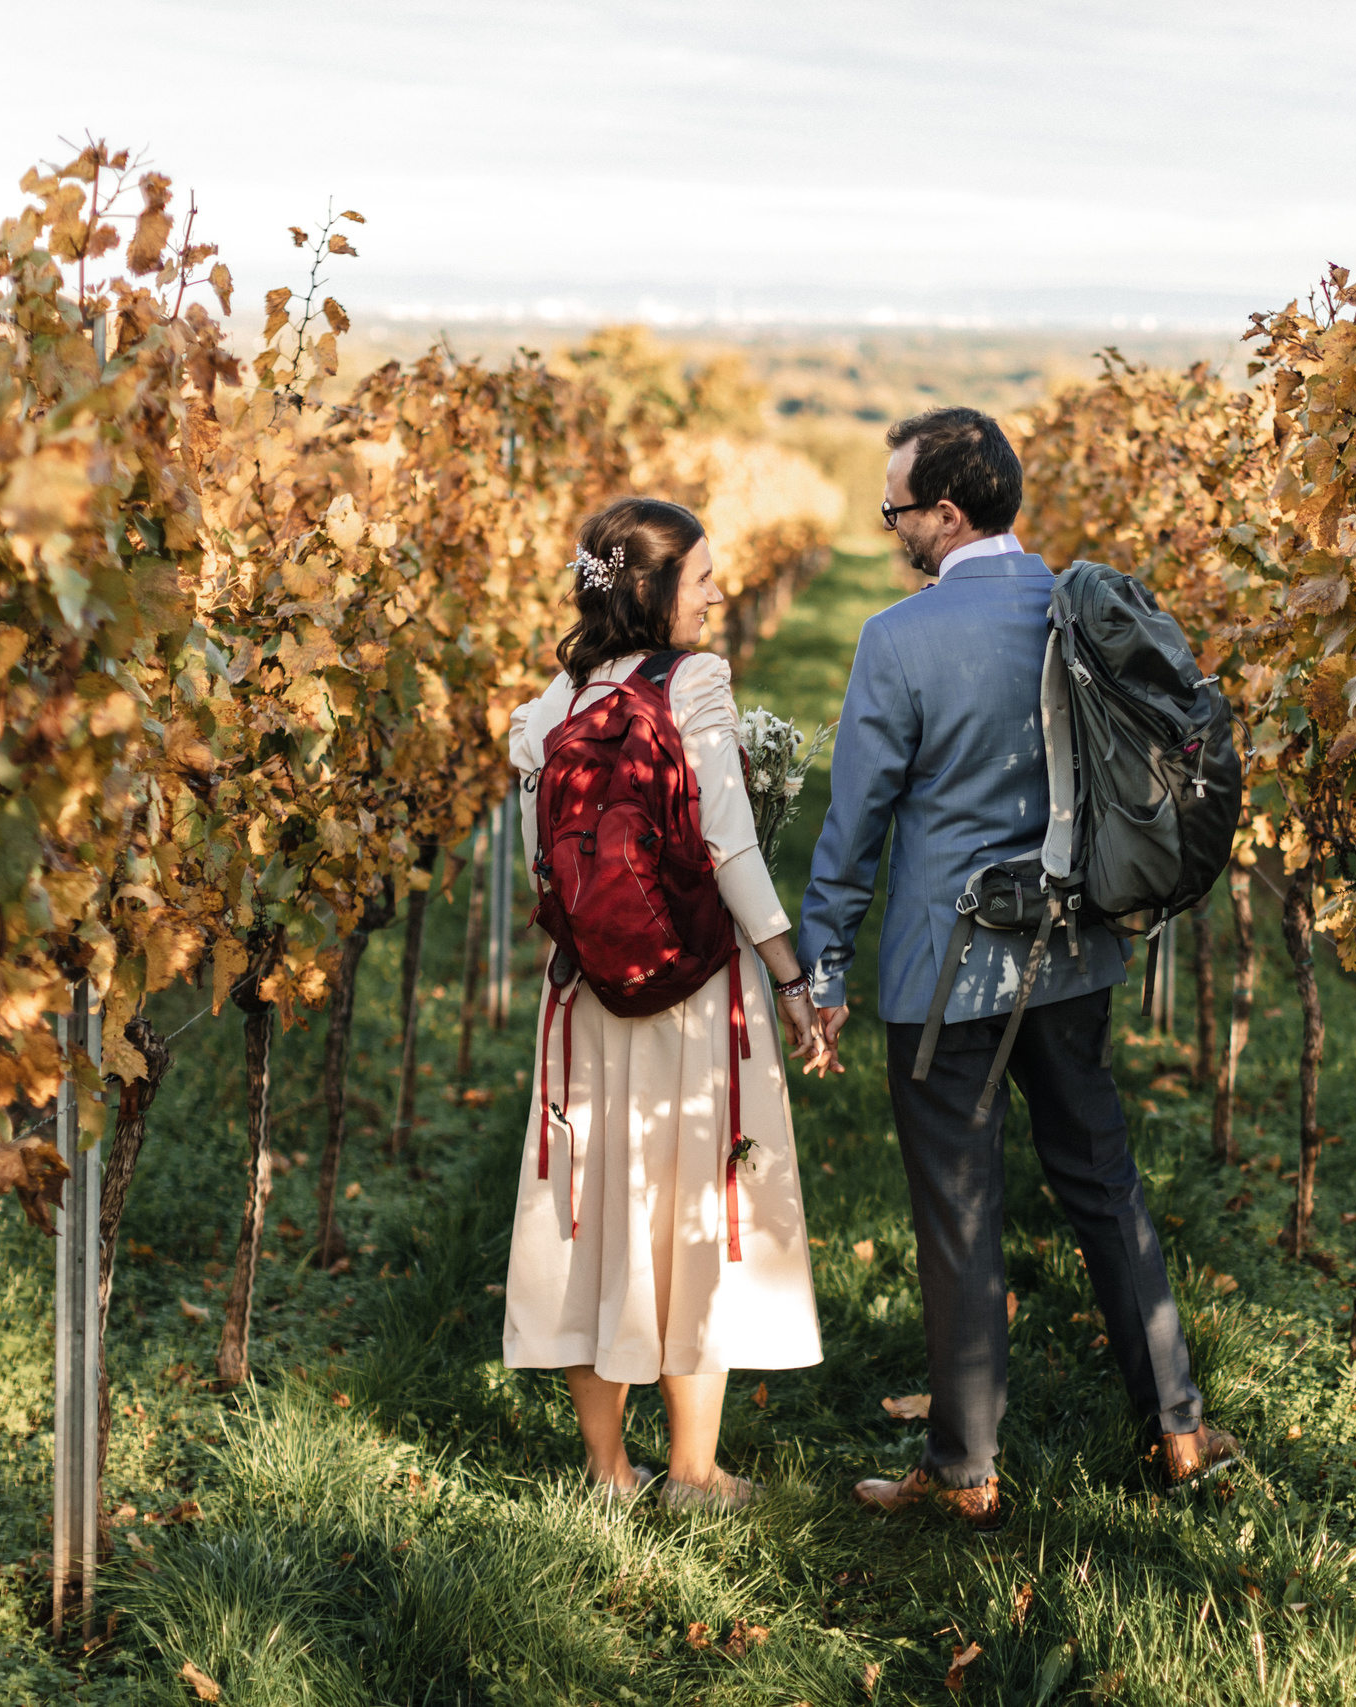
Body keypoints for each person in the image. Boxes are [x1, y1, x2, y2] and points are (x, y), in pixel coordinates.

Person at [798, 408, 1239, 1534]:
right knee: (1102, 1180)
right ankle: (1178, 1423)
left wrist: (824, 963)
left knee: (959, 1208)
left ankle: (965, 1470)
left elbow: (853, 825)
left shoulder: (898, 639)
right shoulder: (1077, 609)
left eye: (896, 505)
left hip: (944, 973)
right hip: (1076, 950)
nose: (887, 523)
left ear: (946, 514)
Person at [503, 495, 829, 1513]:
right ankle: (693, 1471)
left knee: (590, 1209)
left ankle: (606, 1473)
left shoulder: (539, 715)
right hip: (693, 995)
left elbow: (542, 878)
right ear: (652, 592)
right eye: (702, 577)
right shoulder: (694, 685)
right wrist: (790, 975)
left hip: (590, 1000)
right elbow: (727, 843)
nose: (721, 591)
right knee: (699, 1201)